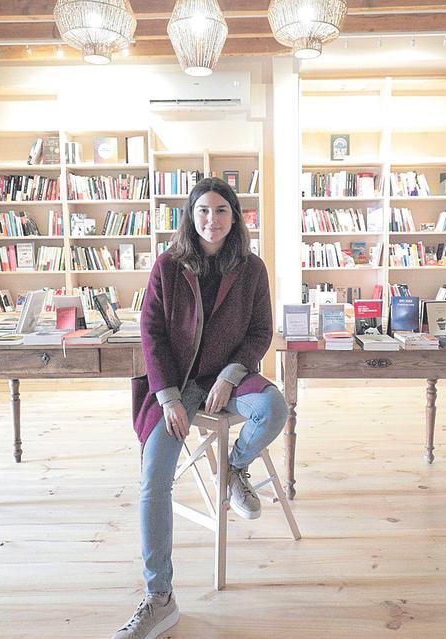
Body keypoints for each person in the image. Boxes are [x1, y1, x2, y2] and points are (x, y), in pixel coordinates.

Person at [114, 177, 288, 639]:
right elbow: (151, 333)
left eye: (221, 210)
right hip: (176, 383)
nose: (212, 220)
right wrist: (168, 397)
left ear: (235, 217)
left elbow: (260, 331)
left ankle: (234, 468)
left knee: (274, 408)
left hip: (230, 376)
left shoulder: (252, 268)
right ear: (191, 217)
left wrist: (231, 375)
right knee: (154, 478)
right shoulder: (168, 265)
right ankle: (160, 598)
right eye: (203, 211)